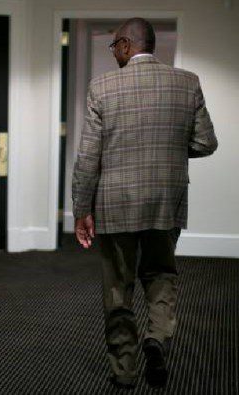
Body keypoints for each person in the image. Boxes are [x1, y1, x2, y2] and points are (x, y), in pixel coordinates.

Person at [71, 17, 218, 389]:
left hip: (115, 204)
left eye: (114, 48)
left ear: (124, 45)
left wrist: (80, 210)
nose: (114, 54)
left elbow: (88, 157)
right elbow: (205, 143)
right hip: (166, 202)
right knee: (161, 275)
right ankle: (156, 339)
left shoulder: (102, 87)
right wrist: (167, 151)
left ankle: (124, 370)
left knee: (118, 288)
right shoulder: (188, 82)